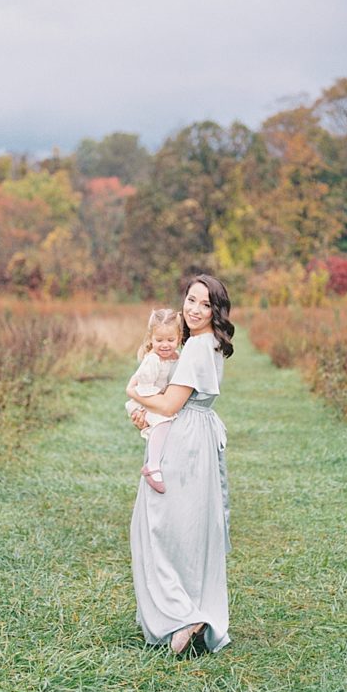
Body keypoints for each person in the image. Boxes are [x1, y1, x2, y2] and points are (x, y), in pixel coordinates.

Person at [127, 273, 234, 655]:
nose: (194, 309)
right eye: (191, 299)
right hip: (197, 432)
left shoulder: (196, 348)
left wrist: (135, 396)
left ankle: (181, 613)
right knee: (189, 527)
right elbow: (172, 398)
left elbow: (171, 404)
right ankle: (191, 611)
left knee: (157, 526)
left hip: (185, 437)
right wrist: (145, 411)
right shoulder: (208, 343)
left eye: (205, 304)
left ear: (215, 310)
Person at [124, 308, 182, 494]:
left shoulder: (177, 357)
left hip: (158, 398)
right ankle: (153, 466)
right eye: (159, 340)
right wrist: (163, 402)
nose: (165, 345)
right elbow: (144, 388)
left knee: (168, 425)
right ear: (151, 338)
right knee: (163, 423)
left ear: (179, 337)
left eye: (170, 340)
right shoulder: (153, 360)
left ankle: (162, 463)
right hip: (146, 400)